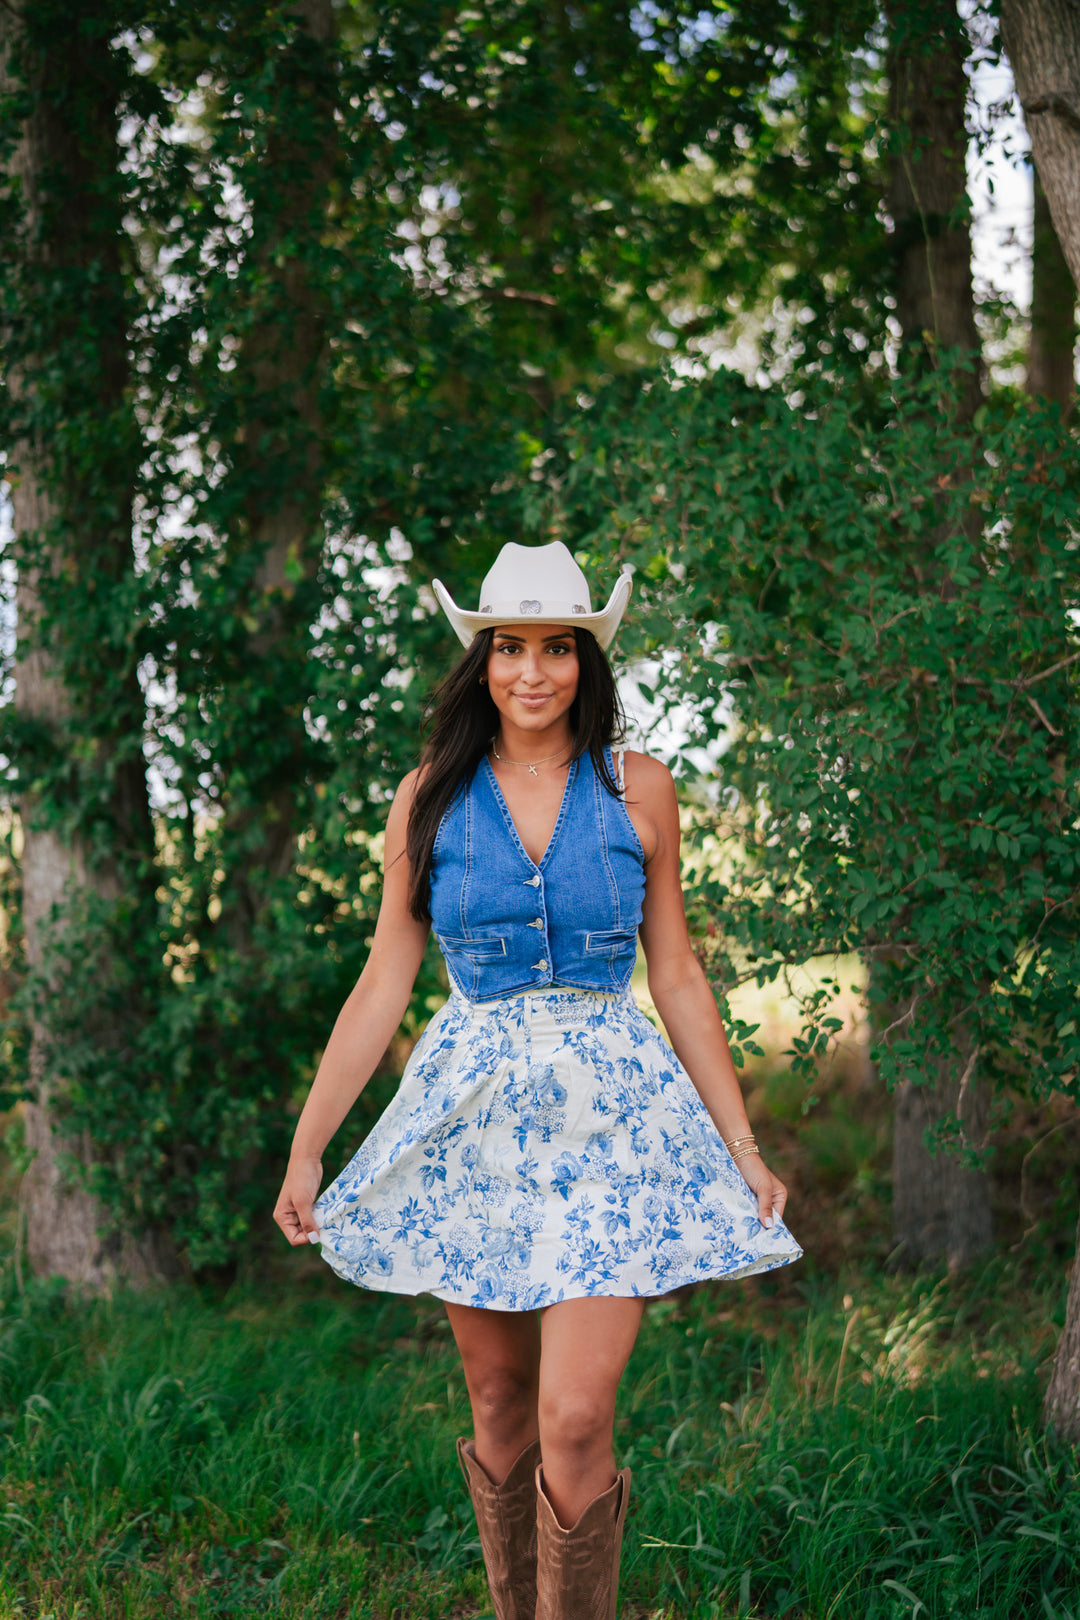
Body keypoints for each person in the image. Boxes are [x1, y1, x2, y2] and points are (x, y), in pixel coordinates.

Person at [274, 540, 801, 1620]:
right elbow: (386, 978)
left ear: (586, 660)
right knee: (503, 1399)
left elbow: (680, 972)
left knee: (571, 1414)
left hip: (615, 1120)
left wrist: (741, 1144)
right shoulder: (427, 798)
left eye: (557, 648)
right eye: (509, 647)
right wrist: (309, 1142)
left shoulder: (638, 786)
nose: (531, 671)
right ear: (480, 660)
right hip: (475, 1125)